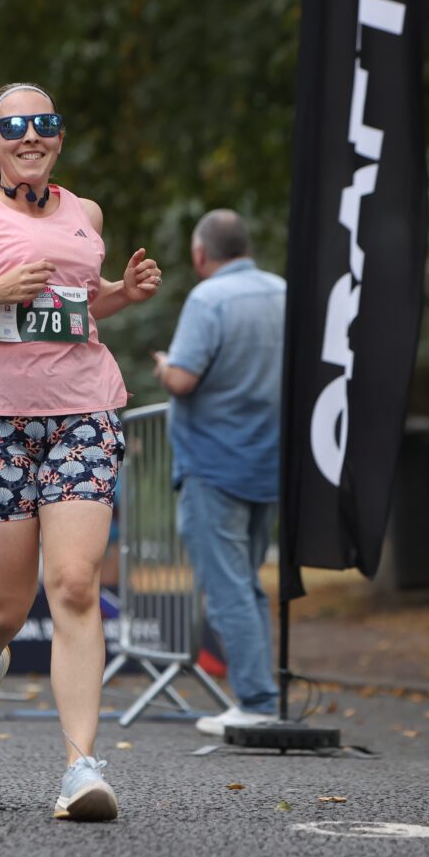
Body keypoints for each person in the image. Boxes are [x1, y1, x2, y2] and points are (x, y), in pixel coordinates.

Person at [0, 83, 163, 821]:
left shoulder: (88, 214)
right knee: (6, 607)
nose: (30, 134)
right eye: (14, 126)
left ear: (59, 138)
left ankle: (81, 768)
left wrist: (121, 294)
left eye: (44, 123)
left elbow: (73, 306)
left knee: (74, 585)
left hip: (83, 410)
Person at [152, 209, 286, 736]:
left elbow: (183, 380)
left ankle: (255, 701)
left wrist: (163, 365)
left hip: (214, 462)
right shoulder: (283, 292)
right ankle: (263, 694)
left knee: (227, 587)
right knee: (248, 583)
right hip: (269, 460)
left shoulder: (208, 298)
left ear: (200, 254)